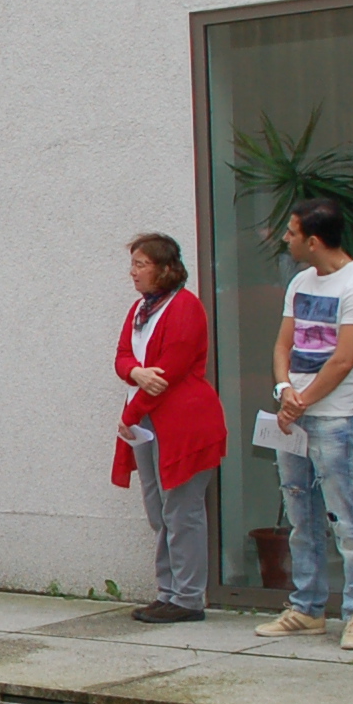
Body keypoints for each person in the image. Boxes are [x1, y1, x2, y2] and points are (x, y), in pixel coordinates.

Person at [257, 200, 353, 650]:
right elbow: (283, 345)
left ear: (313, 240)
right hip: (293, 415)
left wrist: (302, 401)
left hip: (336, 419)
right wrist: (284, 390)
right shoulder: (300, 282)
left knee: (347, 520)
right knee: (300, 516)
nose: (285, 239)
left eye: (291, 233)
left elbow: (344, 359)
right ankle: (307, 608)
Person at [111, 234, 226, 623]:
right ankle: (168, 591)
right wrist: (136, 372)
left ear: (164, 268)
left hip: (182, 422)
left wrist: (131, 413)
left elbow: (169, 374)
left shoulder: (185, 307)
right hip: (146, 420)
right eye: (133, 264)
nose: (133, 272)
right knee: (158, 508)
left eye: (141, 264)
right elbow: (122, 356)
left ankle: (188, 598)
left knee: (182, 509)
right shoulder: (139, 309)